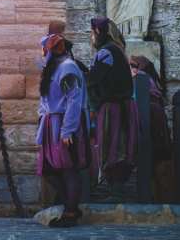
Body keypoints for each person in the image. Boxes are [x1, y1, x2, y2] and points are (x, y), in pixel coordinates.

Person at [36, 33, 90, 228]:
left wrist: (67, 131)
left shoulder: (67, 68)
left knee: (69, 169)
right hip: (52, 124)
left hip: (64, 123)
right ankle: (70, 205)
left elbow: (73, 100)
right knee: (50, 170)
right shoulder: (55, 68)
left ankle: (70, 211)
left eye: (45, 50)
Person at [87, 17, 138, 200]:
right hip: (121, 105)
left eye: (93, 32)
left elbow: (92, 80)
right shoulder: (117, 51)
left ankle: (115, 190)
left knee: (113, 145)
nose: (92, 37)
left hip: (113, 107)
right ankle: (114, 189)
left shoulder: (106, 52)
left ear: (99, 32)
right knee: (119, 145)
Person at [130, 55, 172, 202]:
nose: (131, 69)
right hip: (155, 119)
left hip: (150, 119)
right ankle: (159, 197)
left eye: (133, 65)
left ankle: (157, 197)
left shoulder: (141, 77)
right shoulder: (151, 80)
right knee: (157, 160)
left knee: (154, 159)